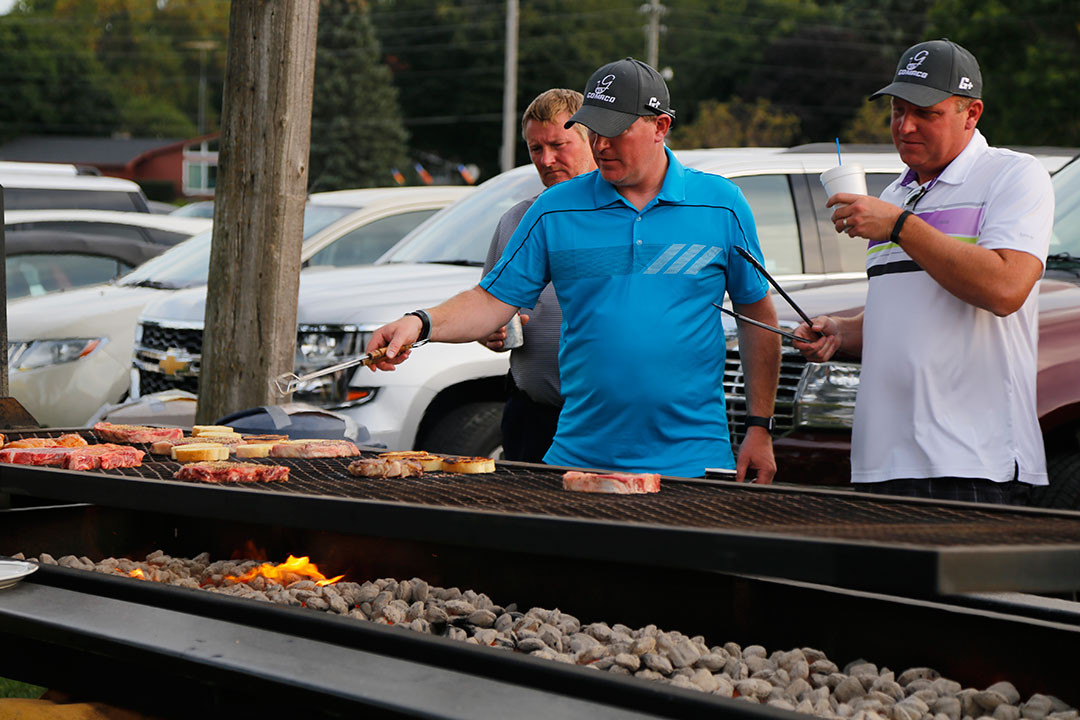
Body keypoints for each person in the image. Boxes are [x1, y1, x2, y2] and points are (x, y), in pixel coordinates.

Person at [368, 57, 780, 481]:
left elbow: (757, 316)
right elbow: (490, 301)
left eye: (614, 132)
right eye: (594, 130)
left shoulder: (722, 204)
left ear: (660, 126)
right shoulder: (554, 209)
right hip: (579, 458)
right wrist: (420, 323)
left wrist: (759, 426)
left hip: (694, 459)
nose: (601, 145)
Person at [794, 39, 1054, 504]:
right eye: (897, 111)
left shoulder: (1013, 175)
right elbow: (909, 313)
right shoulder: (894, 194)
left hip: (972, 460)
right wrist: (842, 331)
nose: (905, 126)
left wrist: (900, 226)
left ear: (971, 114)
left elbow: (1006, 288)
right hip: (881, 459)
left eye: (925, 113)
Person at [479, 88, 597, 463]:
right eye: (535, 149)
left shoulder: (623, 215)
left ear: (593, 139)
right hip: (532, 415)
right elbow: (488, 307)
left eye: (559, 145)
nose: (546, 160)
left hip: (606, 422)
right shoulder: (516, 220)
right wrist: (491, 332)